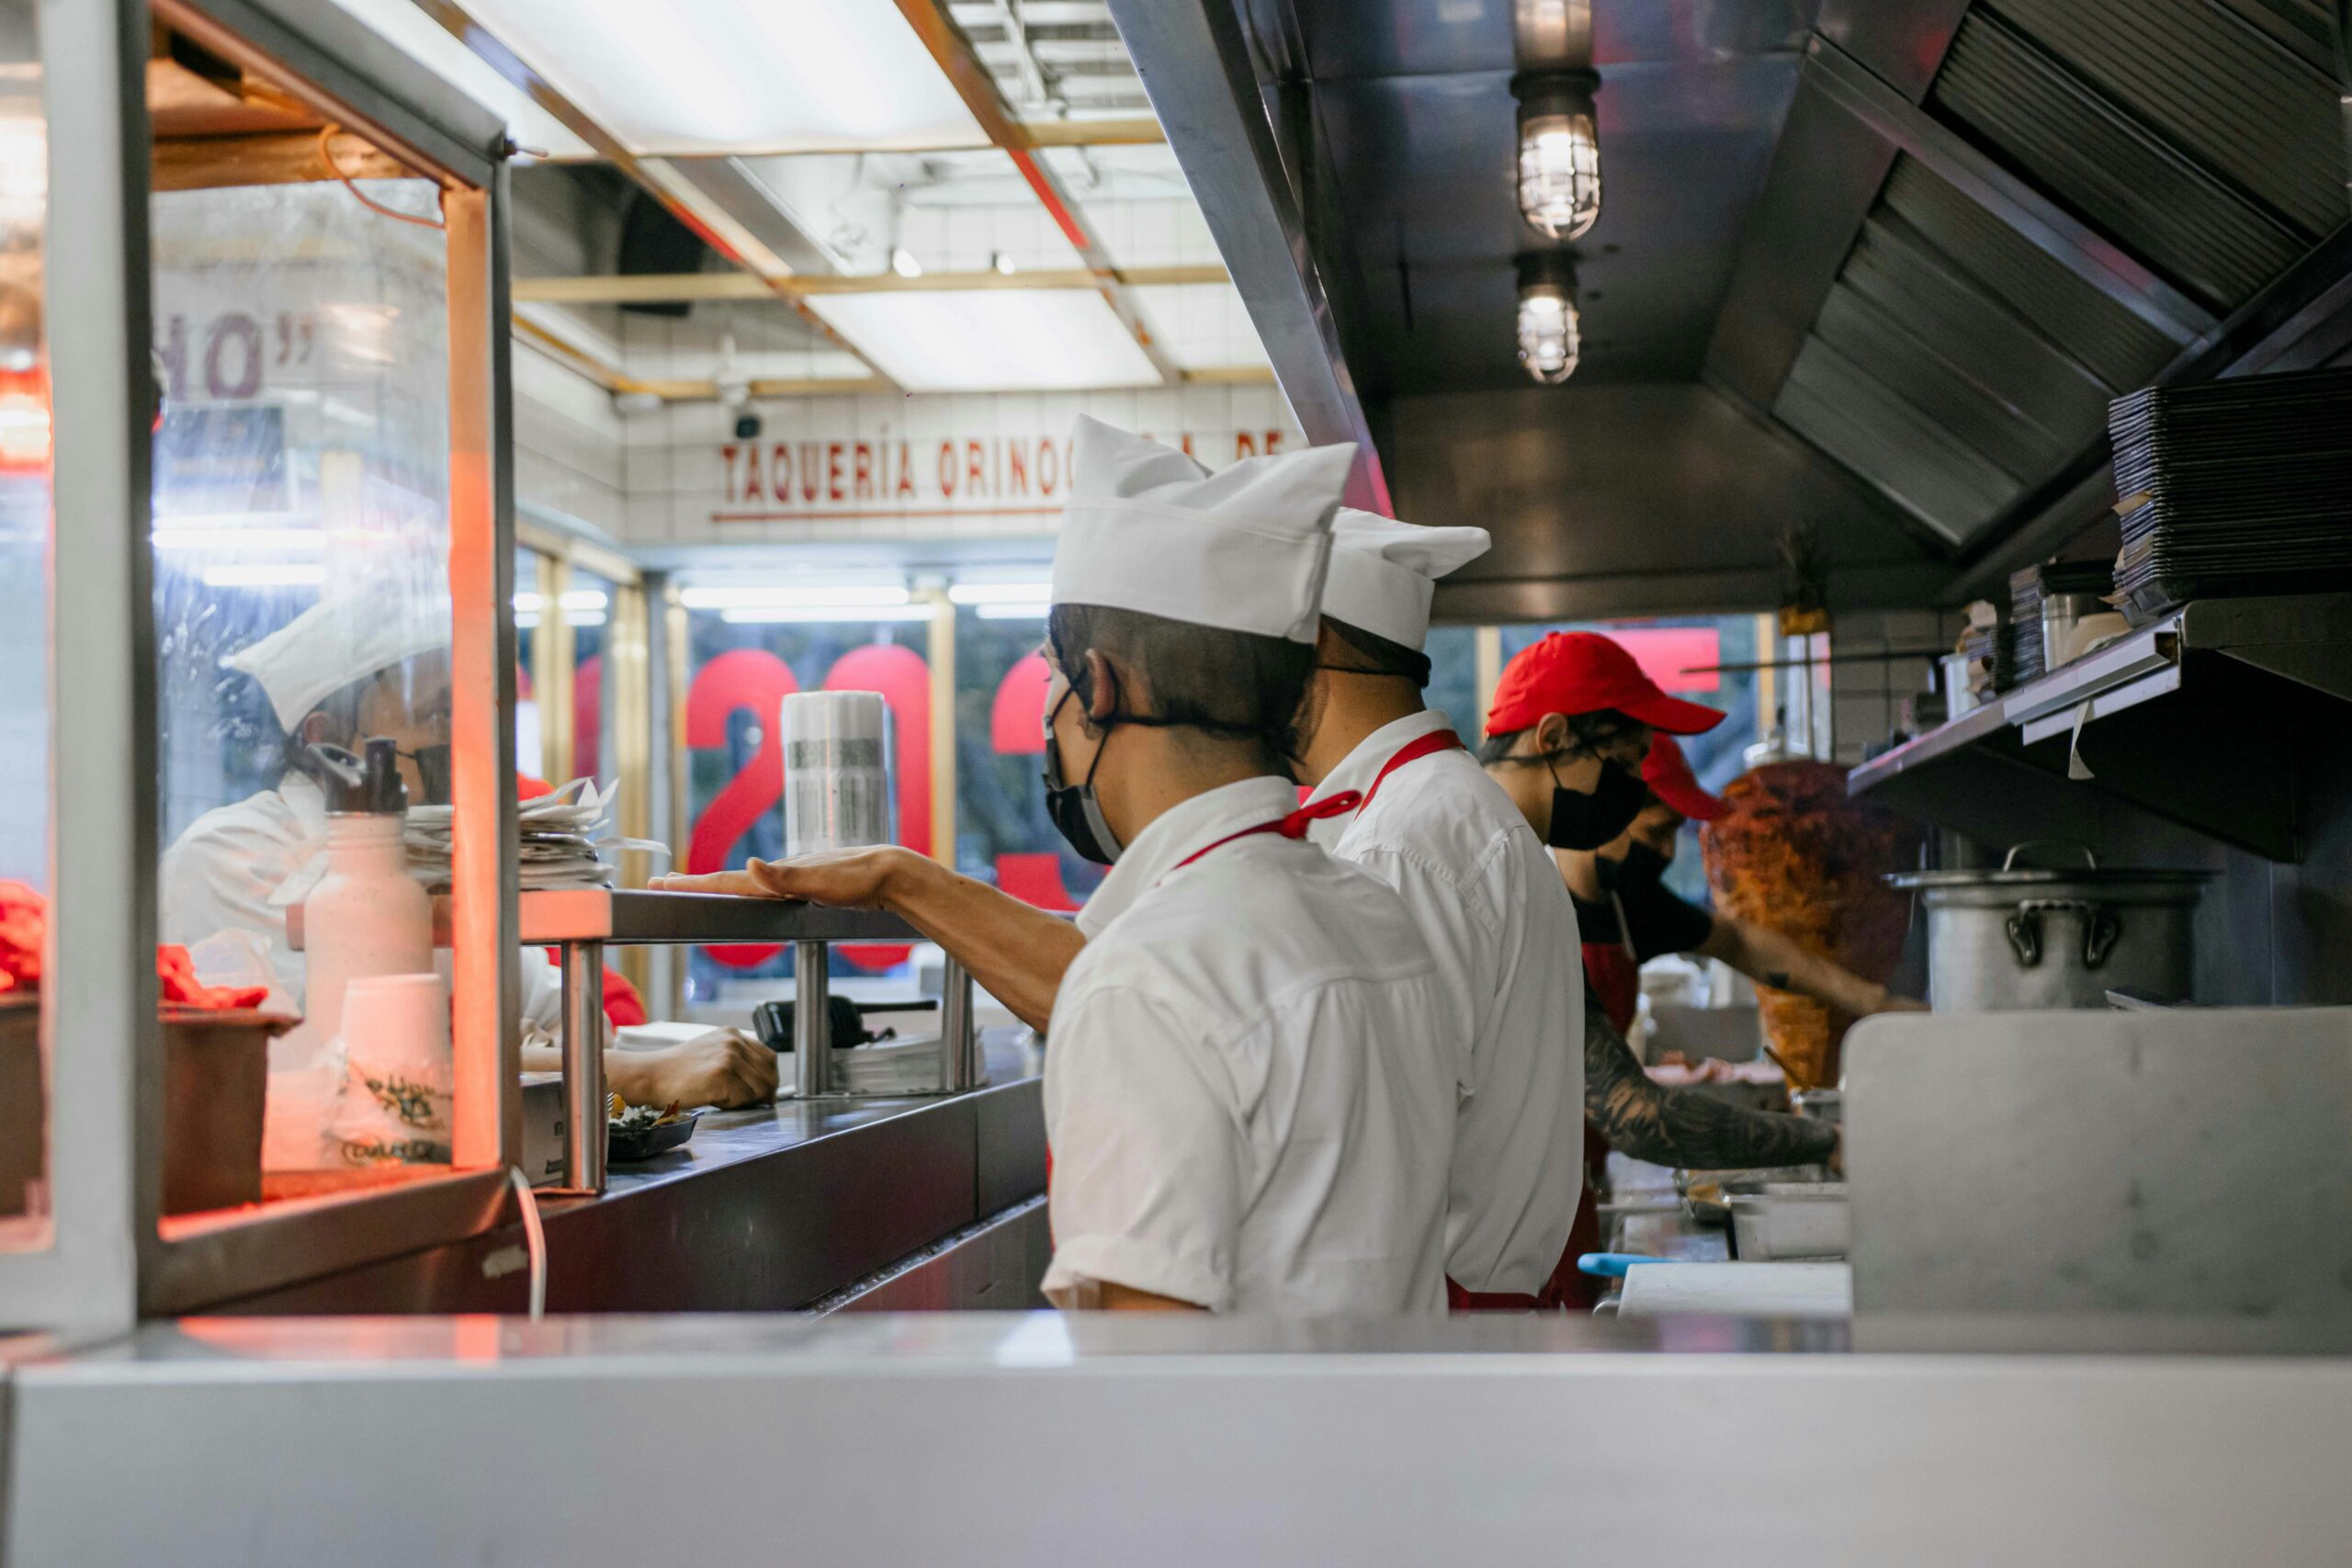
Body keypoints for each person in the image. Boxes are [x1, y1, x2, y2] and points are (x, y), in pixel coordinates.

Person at [671, 418, 1455, 1314]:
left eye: (1050, 675)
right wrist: (900, 878)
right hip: (1382, 1437)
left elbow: (1143, 1373)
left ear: (1101, 684)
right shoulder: (1371, 914)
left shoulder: (1148, 980)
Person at [162, 593, 773, 1114]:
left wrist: (521, 1048)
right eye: (440, 714)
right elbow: (367, 1069)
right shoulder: (232, 857)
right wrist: (642, 1074)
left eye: (473, 712)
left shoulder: (432, 853)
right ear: (326, 742)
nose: (469, 740)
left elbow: (573, 1018)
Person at [1286, 509, 1587, 1309]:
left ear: (1312, 644)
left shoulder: (1403, 845)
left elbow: (1366, 1147)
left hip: (1435, 1342)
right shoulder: (1438, 812)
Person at [1479, 632, 1838, 1175]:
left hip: (1550, 1198)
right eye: (1623, 763)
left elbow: (1737, 939)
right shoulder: (1486, 876)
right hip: (1489, 1226)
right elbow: (1634, 1112)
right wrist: (1825, 1142)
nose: (1626, 791)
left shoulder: (1523, 876)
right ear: (1551, 737)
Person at [1565, 734, 1926, 1034]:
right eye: (1657, 831)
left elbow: (1741, 943)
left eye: (1675, 834)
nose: (1668, 851)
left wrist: (1877, 1003)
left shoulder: (1625, 905)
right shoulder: (1539, 906)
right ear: (1607, 812)